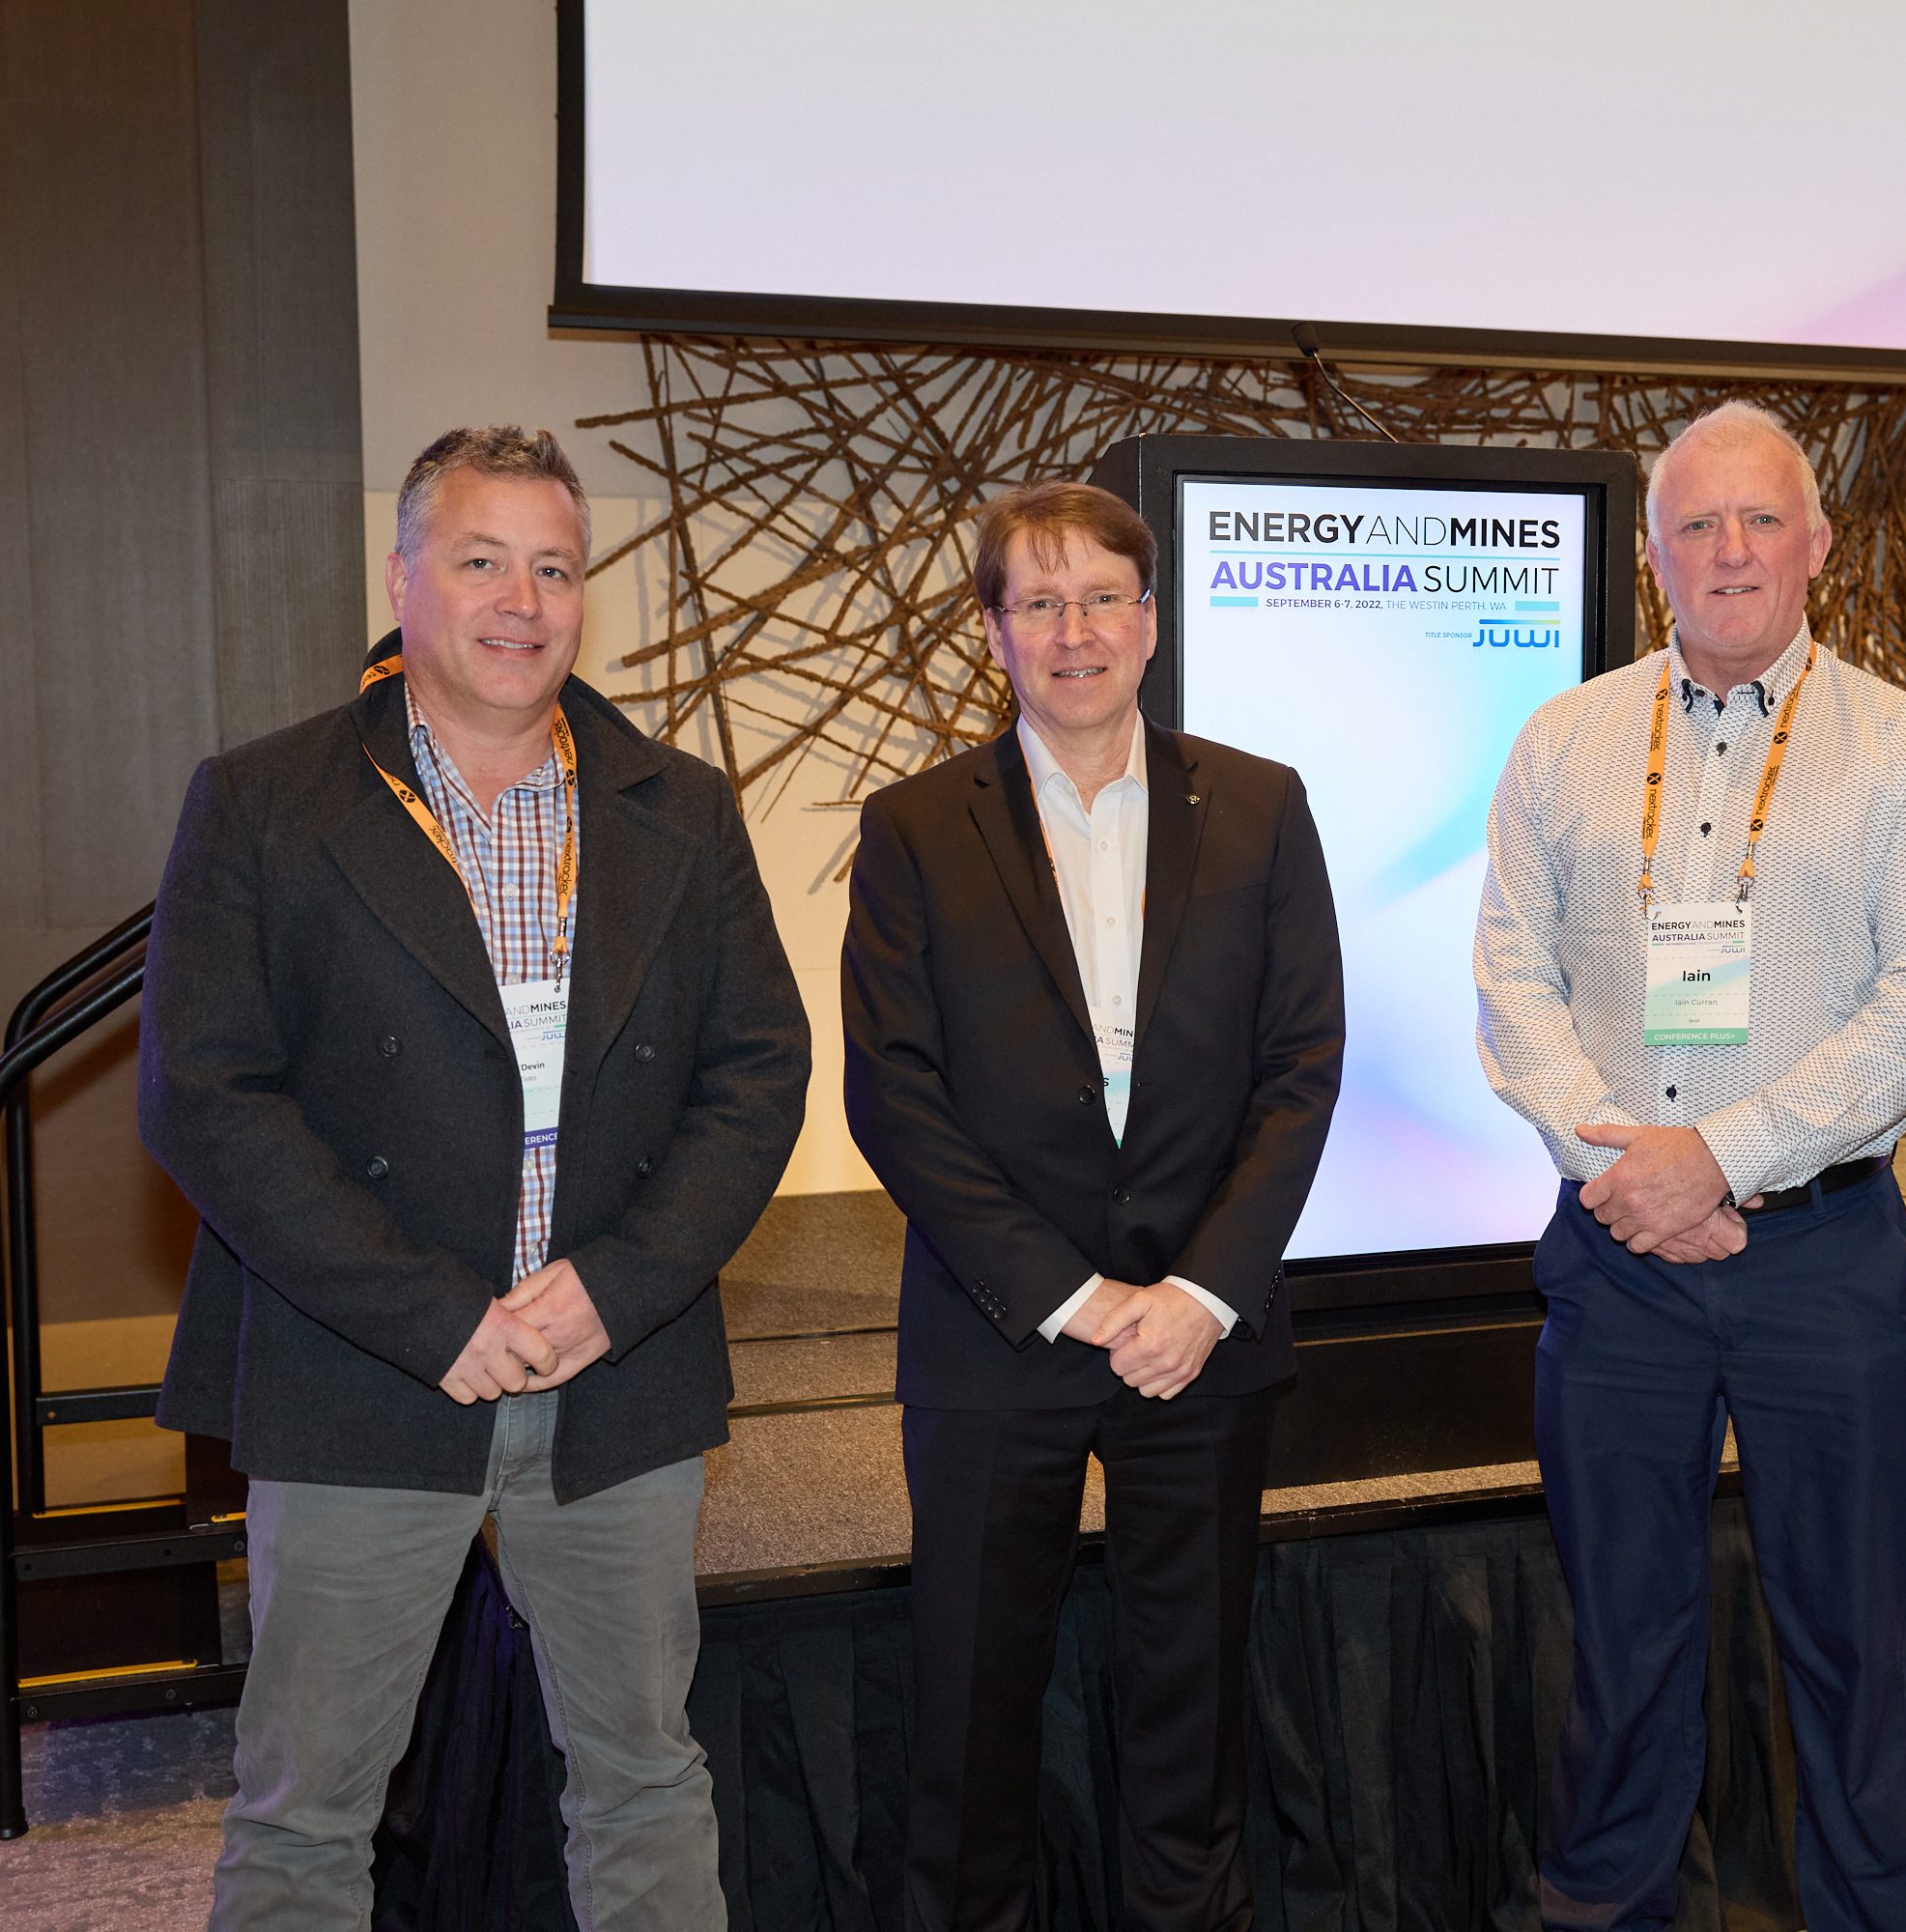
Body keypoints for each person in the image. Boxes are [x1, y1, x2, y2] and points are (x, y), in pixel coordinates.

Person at [141, 426, 810, 1929]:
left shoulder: (680, 810)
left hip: (612, 1377)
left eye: (556, 566)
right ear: (403, 578)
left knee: (644, 1777)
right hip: (366, 1372)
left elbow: (760, 1072)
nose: (524, 599)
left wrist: (618, 1289)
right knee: (308, 1813)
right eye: (482, 560)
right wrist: (435, 1314)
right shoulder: (262, 802)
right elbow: (204, 1094)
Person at [1475, 400, 1906, 1931]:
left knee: (1849, 1643)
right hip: (1617, 1259)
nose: (1730, 551)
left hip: (1820, 1262)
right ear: (1651, 556)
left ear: (1818, 545)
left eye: (1760, 520)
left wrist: (1720, 1158)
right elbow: (1512, 980)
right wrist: (1626, 1168)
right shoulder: (1566, 742)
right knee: (1623, 1644)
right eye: (1697, 525)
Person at [840, 479, 1344, 1932]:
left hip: (1205, 1337)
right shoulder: (918, 827)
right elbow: (896, 1094)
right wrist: (1071, 1297)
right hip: (1003, 1335)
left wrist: (1198, 1293)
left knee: (1191, 1710)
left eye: (1104, 597)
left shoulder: (1259, 802)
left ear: (1152, 620)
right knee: (974, 1710)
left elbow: (1301, 1065)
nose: (1076, 632)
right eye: (1040, 602)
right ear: (995, 633)